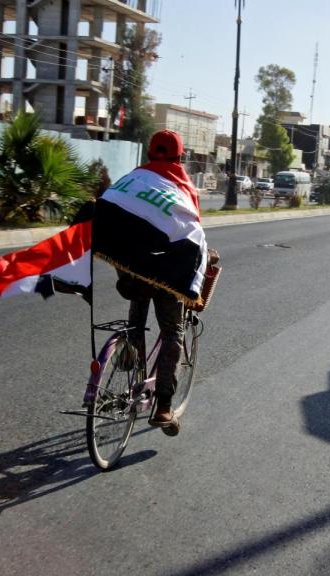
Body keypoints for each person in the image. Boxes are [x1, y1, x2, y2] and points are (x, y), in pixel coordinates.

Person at [112, 130, 216, 437]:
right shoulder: (183, 186)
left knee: (137, 310)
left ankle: (127, 357)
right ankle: (163, 408)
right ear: (180, 157)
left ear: (149, 152)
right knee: (173, 333)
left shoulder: (133, 177)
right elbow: (191, 232)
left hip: (129, 268)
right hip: (164, 272)